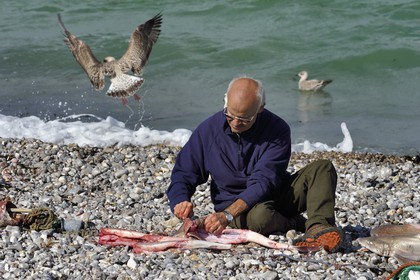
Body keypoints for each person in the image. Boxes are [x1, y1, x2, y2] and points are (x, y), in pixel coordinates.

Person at [166, 76, 344, 253]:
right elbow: (184, 172)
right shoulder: (208, 130)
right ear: (225, 102)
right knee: (261, 216)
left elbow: (264, 181)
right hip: (235, 208)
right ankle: (296, 223)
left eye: (244, 119)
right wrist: (180, 200)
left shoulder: (278, 129)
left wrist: (227, 215)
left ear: (260, 109)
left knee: (323, 168)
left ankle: (318, 227)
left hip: (274, 195)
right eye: (230, 115)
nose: (236, 123)